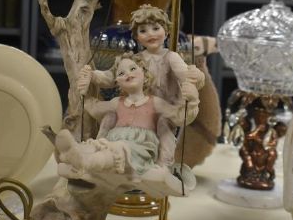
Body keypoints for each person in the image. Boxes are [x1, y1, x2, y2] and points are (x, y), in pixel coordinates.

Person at [77, 4, 204, 166]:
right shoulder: (136, 59)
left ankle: (163, 164)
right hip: (138, 104)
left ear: (166, 31)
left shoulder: (171, 57)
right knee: (110, 117)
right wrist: (93, 75)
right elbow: (111, 76)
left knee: (164, 126)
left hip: (162, 107)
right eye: (143, 31)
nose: (150, 34)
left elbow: (186, 75)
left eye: (155, 28)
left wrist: (196, 76)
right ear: (137, 37)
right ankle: (100, 151)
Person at [57, 53, 199, 195]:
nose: (128, 74)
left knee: (117, 151)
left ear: (144, 73)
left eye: (133, 69)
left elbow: (180, 116)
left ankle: (85, 162)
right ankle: (76, 153)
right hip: (112, 142)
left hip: (139, 150)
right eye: (121, 73)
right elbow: (93, 107)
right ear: (117, 82)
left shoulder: (155, 102)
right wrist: (83, 90)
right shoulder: (116, 103)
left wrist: (192, 101)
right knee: (98, 146)